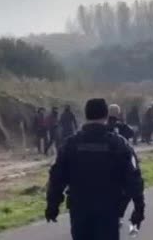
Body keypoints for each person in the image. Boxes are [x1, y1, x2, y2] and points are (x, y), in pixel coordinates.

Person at [45, 98, 145, 240]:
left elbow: (56, 177)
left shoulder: (71, 144)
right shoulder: (118, 144)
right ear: (106, 115)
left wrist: (52, 205)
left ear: (86, 115)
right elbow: (134, 177)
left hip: (80, 210)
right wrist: (139, 208)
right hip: (108, 211)